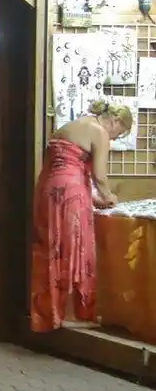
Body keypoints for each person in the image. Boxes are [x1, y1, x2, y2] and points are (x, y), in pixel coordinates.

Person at [30, 99, 131, 332]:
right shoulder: (99, 132)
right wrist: (109, 197)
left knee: (50, 247)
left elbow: (63, 167)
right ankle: (74, 313)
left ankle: (49, 311)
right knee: (75, 249)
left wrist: (93, 199)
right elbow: (99, 176)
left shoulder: (71, 126)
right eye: (119, 133)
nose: (115, 138)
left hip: (48, 188)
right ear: (115, 120)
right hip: (71, 194)